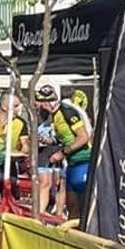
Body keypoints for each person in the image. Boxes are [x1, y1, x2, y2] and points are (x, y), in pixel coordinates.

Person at [35, 84, 92, 217]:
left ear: (47, 102)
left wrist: (62, 153)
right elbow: (65, 138)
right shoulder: (54, 115)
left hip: (83, 161)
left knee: (82, 204)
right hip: (72, 163)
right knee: (71, 205)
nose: (41, 107)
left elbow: (83, 137)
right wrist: (50, 141)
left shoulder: (67, 111)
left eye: (41, 103)